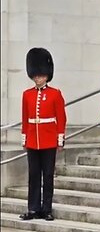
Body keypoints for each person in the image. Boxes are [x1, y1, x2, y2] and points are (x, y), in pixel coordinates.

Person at [20, 48, 67, 221]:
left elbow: (61, 118)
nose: (38, 78)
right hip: (33, 140)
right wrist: (25, 138)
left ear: (47, 75)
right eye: (36, 75)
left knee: (47, 176)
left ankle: (46, 208)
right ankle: (33, 208)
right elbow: (25, 118)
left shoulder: (55, 94)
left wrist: (60, 139)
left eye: (41, 75)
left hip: (48, 140)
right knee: (33, 176)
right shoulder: (27, 95)